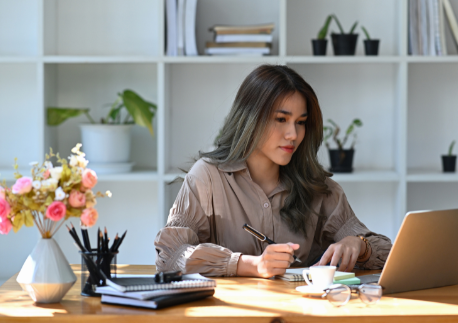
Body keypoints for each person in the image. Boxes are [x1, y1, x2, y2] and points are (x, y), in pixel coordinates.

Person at [154, 64, 392, 278]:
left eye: (300, 122)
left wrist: (358, 244)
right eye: (281, 119)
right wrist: (249, 264)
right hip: (230, 317)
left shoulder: (319, 187)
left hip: (302, 316)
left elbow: (388, 252)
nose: (293, 134)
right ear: (251, 119)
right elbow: (170, 255)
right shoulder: (207, 178)